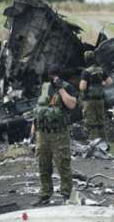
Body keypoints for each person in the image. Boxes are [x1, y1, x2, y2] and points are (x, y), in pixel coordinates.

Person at [32, 65, 78, 205]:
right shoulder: (45, 87)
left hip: (59, 134)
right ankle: (45, 193)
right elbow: (39, 109)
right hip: (43, 133)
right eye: (50, 76)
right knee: (43, 164)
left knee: (63, 164)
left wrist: (61, 88)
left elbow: (72, 105)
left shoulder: (67, 87)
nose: (52, 78)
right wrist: (33, 129)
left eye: (55, 76)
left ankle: (66, 194)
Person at [79, 51, 112, 140]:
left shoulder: (85, 72)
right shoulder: (101, 70)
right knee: (101, 123)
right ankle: (104, 142)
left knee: (91, 124)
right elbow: (110, 82)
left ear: (86, 60)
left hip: (89, 101)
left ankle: (93, 143)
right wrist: (101, 83)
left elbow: (82, 87)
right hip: (100, 100)